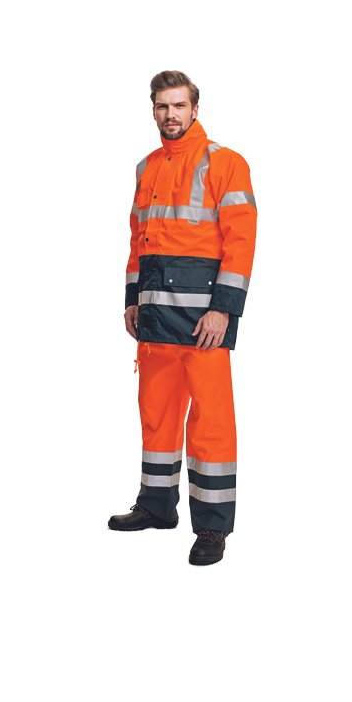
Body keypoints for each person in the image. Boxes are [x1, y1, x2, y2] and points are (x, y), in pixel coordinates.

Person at [108, 71, 258, 566]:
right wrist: (133, 298)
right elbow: (138, 240)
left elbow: (241, 242)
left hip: (203, 323)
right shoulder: (146, 167)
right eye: (162, 106)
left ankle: (212, 526)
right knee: (157, 416)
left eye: (178, 106)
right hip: (153, 321)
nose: (170, 114)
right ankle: (156, 506)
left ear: (195, 109)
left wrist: (224, 309)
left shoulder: (225, 162)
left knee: (210, 423)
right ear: (153, 110)